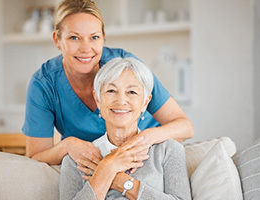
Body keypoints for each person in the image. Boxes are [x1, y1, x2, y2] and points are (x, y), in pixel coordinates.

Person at [22, 0, 194, 168]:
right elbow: (36, 157)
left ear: (103, 38)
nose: (86, 48)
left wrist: (145, 139)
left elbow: (185, 127)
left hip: (147, 154)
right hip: (95, 165)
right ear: (57, 39)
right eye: (74, 38)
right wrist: (67, 145)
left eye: (94, 37)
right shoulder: (44, 84)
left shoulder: (126, 65)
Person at [59, 57, 192, 200]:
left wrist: (120, 181)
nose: (121, 101)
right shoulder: (77, 160)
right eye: (111, 91)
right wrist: (107, 167)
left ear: (145, 103)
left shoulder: (168, 150)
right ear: (98, 100)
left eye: (132, 92)